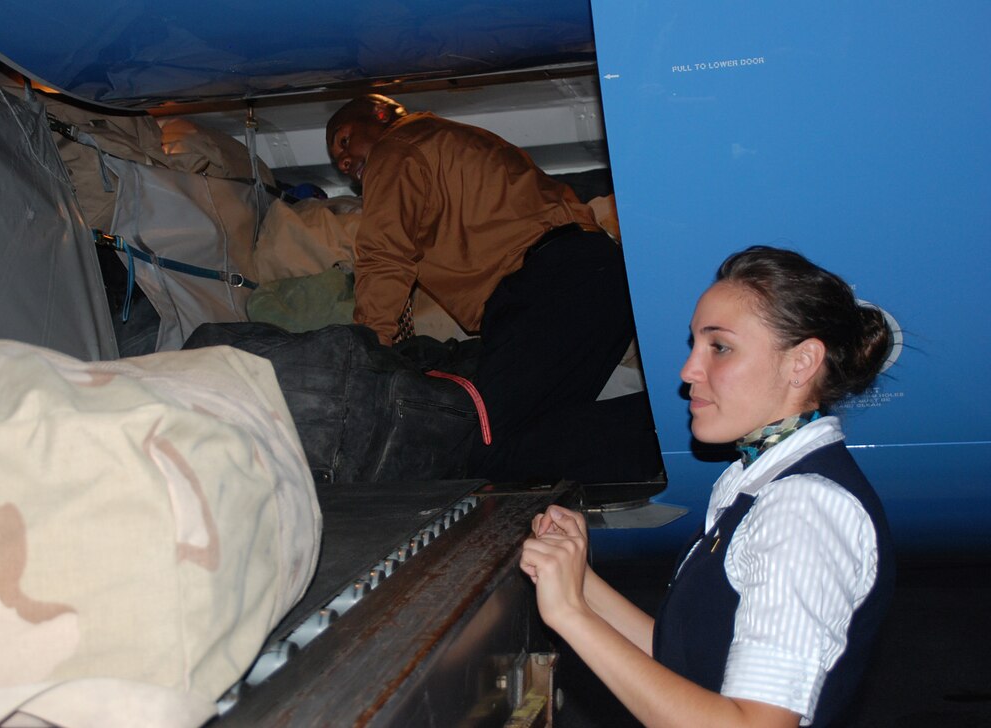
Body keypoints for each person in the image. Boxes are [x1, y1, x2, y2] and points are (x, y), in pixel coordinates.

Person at [520, 246, 896, 727]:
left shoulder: (803, 507)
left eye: (719, 347)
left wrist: (570, 613)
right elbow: (687, 656)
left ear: (801, 363)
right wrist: (580, 582)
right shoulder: (751, 483)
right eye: (695, 344)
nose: (687, 371)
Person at [325, 94, 659, 484]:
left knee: (488, 448)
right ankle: (680, 428)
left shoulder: (396, 148)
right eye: (337, 163)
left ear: (381, 115)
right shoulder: (449, 142)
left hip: (550, 283)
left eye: (344, 141)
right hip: (582, 275)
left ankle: (688, 426)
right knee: (537, 432)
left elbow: (384, 255)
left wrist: (365, 355)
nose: (344, 163)